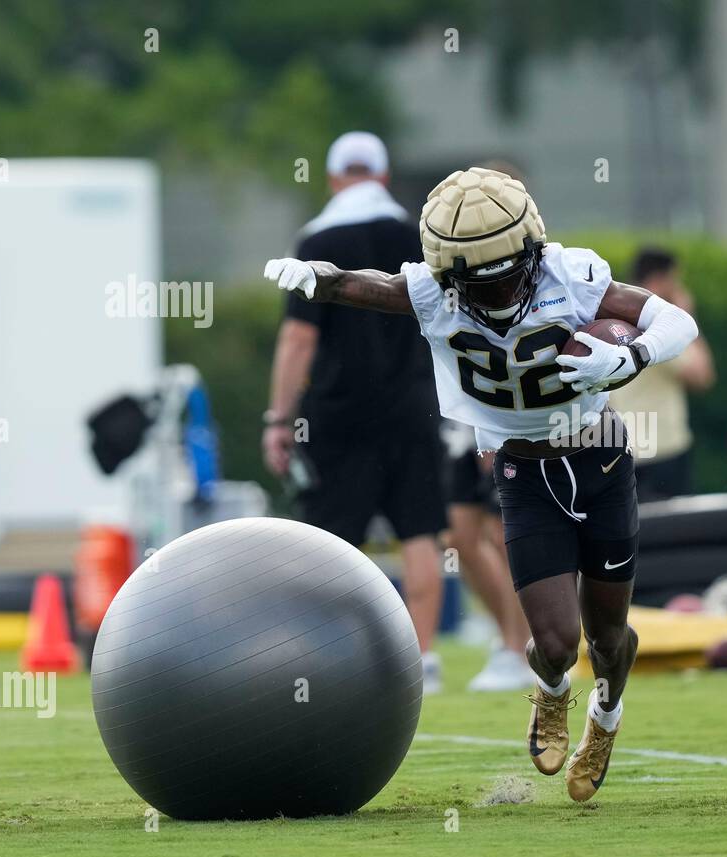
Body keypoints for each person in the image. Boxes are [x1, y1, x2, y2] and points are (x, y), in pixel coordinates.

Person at [263, 167, 697, 801]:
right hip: (523, 470)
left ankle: (606, 717)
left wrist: (627, 356)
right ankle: (551, 695)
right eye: (476, 280)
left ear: (531, 249)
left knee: (607, 637)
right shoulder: (433, 291)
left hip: (600, 458)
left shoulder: (568, 274)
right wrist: (318, 280)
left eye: (505, 274)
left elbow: (674, 321)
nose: (493, 292)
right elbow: (369, 287)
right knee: (552, 643)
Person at [262, 131, 446, 694]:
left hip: (341, 414)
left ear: (334, 177)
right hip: (415, 407)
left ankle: (324, 655)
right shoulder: (418, 235)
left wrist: (278, 418)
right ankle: (423, 658)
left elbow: (299, 338)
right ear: (384, 176)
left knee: (331, 543)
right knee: (420, 532)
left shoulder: (319, 237)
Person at [606, 248, 716, 501]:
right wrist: (688, 317)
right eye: (675, 280)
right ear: (658, 281)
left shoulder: (616, 318)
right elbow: (702, 375)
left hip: (625, 448)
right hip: (663, 453)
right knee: (674, 536)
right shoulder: (661, 328)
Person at [443, 421, 536, 691]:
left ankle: (516, 650)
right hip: (460, 428)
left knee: (503, 537)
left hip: (499, 421)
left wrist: (490, 429)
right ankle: (514, 639)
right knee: (457, 539)